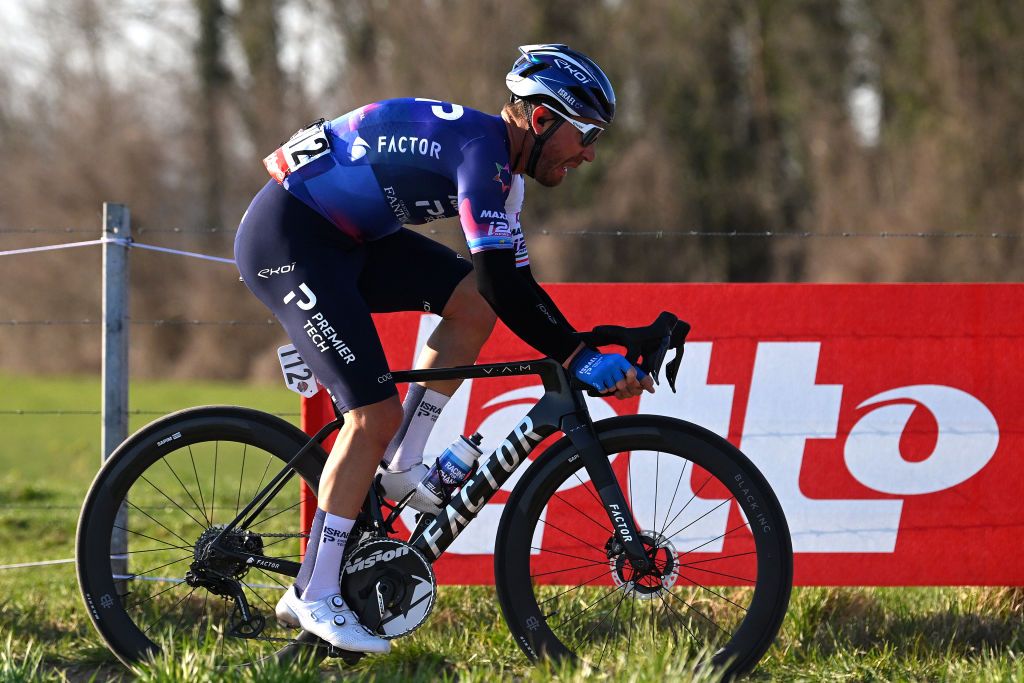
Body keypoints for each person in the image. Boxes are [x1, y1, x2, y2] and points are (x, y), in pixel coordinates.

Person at [233, 44, 654, 655]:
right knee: (369, 414)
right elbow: (503, 280)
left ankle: (403, 459)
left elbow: (509, 288)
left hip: (346, 238)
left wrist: (582, 345)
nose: (589, 153)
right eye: (585, 135)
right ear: (540, 120)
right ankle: (314, 591)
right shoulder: (483, 157)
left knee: (470, 303)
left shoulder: (504, 177)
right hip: (290, 239)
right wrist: (580, 359)